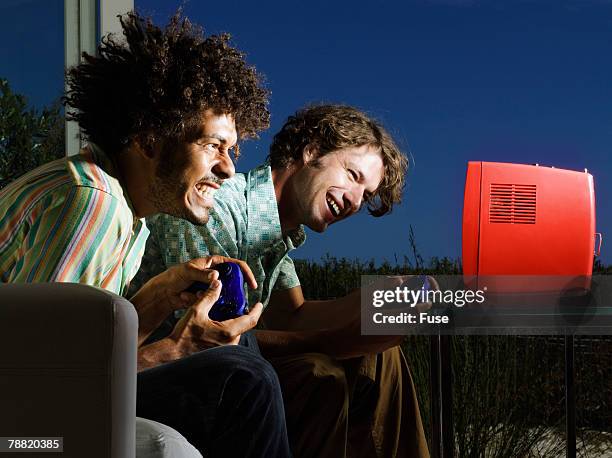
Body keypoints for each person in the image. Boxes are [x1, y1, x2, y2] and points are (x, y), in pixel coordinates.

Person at [0, 11, 292, 458]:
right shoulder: (91, 203)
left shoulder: (124, 213)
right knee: (242, 380)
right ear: (150, 138)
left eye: (232, 150)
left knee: (242, 349)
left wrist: (155, 299)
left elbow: (82, 354)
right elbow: (42, 394)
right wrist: (176, 348)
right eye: (213, 145)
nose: (229, 168)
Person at [134, 104, 430, 458]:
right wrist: (336, 340)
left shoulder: (278, 237)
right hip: (169, 373)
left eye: (365, 197)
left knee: (383, 356)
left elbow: (294, 315)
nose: (354, 201)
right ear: (311, 150)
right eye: (352, 175)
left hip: (224, 362)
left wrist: (375, 299)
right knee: (319, 374)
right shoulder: (215, 210)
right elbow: (222, 340)